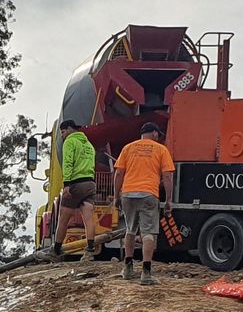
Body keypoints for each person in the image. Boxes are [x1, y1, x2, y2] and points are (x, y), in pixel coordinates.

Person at [113, 121, 175, 286]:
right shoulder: (161, 149)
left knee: (130, 230)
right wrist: (169, 200)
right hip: (148, 194)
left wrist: (116, 196)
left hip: (128, 193)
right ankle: (146, 274)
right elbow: (168, 176)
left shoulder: (128, 148)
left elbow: (119, 173)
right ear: (154, 134)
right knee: (148, 233)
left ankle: (127, 269)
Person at [48, 119, 98, 256]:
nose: (62, 136)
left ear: (69, 129)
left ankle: (56, 249)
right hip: (90, 184)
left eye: (63, 132)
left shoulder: (70, 142)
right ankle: (90, 248)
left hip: (75, 183)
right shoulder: (89, 145)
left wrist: (66, 184)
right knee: (88, 219)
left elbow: (68, 163)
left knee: (63, 218)